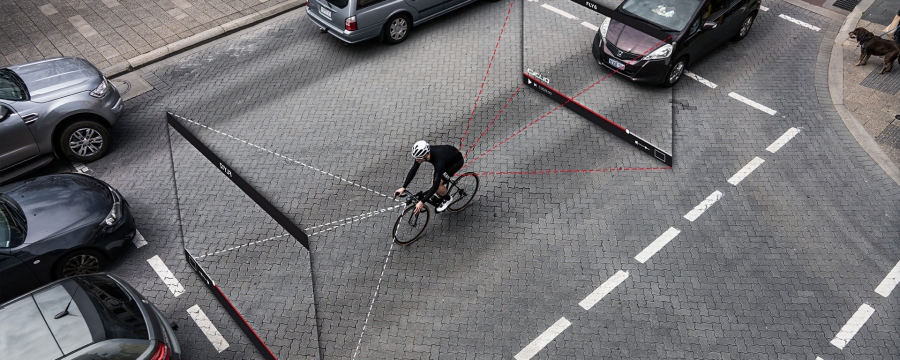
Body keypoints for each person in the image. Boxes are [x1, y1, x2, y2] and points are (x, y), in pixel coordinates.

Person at [394, 140, 464, 214]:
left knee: (438, 185)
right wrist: (403, 187)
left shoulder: (438, 161)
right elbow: (413, 170)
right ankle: (442, 195)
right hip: (446, 157)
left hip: (455, 162)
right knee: (435, 182)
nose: (417, 160)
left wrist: (422, 202)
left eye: (419, 158)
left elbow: (436, 185)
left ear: (426, 155)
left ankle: (448, 199)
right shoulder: (423, 154)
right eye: (416, 158)